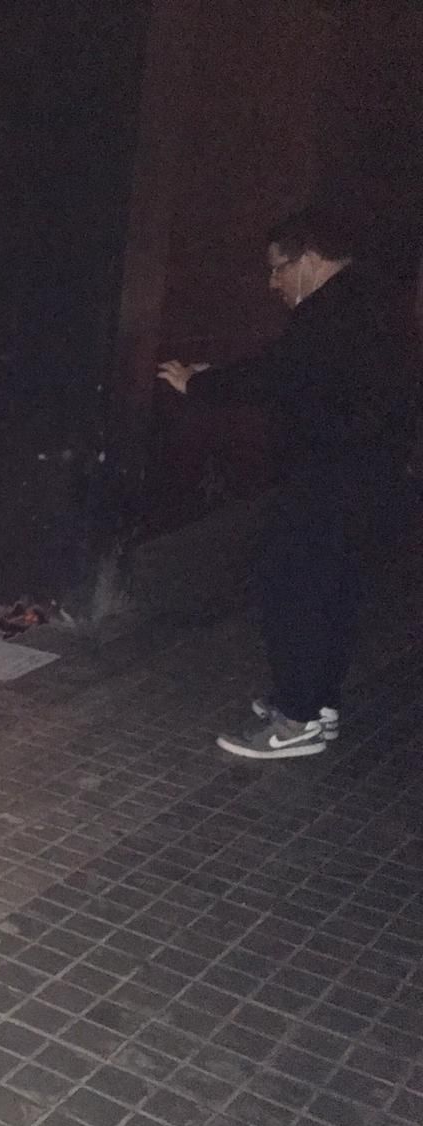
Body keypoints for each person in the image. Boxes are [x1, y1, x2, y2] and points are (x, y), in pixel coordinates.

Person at [158, 204, 414, 760]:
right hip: (365, 472)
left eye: (279, 268)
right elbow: (293, 370)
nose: (273, 281)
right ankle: (314, 703)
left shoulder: (330, 312)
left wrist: (200, 387)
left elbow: (280, 375)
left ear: (312, 258)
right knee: (330, 587)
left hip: (332, 471)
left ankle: (297, 717)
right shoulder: (369, 302)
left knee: (290, 583)